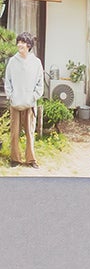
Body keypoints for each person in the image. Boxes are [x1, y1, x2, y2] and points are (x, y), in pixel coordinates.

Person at [5, 31, 45, 168]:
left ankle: (31, 160)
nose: (19, 45)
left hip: (30, 104)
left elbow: (40, 84)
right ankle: (15, 159)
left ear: (29, 45)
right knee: (14, 133)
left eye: (22, 42)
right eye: (18, 42)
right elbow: (7, 81)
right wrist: (11, 96)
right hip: (15, 103)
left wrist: (33, 97)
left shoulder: (36, 63)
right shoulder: (12, 62)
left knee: (30, 133)